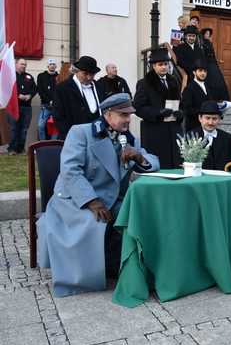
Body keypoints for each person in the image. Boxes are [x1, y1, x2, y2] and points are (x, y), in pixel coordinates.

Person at [37, 93, 160, 297]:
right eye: (123, 114)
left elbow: (154, 161)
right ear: (108, 114)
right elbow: (70, 171)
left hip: (112, 200)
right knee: (91, 223)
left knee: (137, 216)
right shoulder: (81, 132)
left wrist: (139, 157)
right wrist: (91, 201)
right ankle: (85, 276)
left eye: (130, 115)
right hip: (77, 200)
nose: (128, 119)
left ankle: (128, 267)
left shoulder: (129, 139)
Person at [133, 48, 183, 169]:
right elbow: (138, 107)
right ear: (153, 66)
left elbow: (179, 103)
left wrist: (180, 113)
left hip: (173, 129)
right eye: (160, 64)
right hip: (155, 131)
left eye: (166, 64)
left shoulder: (173, 81)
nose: (164, 67)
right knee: (159, 165)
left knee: (174, 164)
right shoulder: (144, 83)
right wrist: (158, 112)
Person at [53, 56, 104, 139]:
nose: (89, 77)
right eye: (85, 74)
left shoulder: (99, 87)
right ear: (77, 71)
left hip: (96, 136)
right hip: (72, 137)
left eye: (92, 74)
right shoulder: (63, 88)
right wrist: (69, 135)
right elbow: (58, 116)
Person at [181, 58, 231, 132]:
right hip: (194, 127)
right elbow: (187, 110)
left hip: (209, 128)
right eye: (200, 71)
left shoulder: (208, 87)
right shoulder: (189, 89)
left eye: (205, 71)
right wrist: (204, 112)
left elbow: (210, 103)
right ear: (194, 72)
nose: (203, 73)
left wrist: (220, 109)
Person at [188, 101, 231, 170]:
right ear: (200, 118)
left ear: (219, 119)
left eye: (214, 119)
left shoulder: (227, 138)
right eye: (207, 118)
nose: (210, 122)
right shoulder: (190, 137)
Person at [7, 58, 37, 154]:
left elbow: (35, 89)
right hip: (14, 106)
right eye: (21, 64)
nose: (23, 66)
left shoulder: (29, 77)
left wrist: (30, 95)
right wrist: (17, 95)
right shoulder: (11, 76)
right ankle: (12, 149)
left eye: (25, 64)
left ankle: (21, 149)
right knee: (13, 128)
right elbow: (7, 89)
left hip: (27, 107)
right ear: (16, 64)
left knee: (24, 129)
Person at [200, 27, 229, 100]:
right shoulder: (201, 43)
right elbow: (203, 55)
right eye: (206, 33)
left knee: (218, 80)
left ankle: (219, 98)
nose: (208, 35)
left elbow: (213, 54)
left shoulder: (210, 43)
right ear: (203, 34)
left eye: (209, 34)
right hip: (206, 64)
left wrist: (217, 61)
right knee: (210, 81)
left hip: (213, 64)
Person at [36, 59, 59, 140]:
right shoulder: (41, 76)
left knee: (55, 127)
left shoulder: (59, 77)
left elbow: (60, 91)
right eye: (50, 64)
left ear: (56, 66)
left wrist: (55, 101)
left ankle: (52, 144)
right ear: (48, 66)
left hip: (56, 106)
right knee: (40, 125)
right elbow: (40, 90)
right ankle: (43, 143)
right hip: (45, 106)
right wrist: (49, 101)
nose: (52, 65)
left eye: (54, 64)